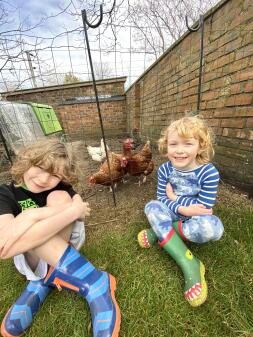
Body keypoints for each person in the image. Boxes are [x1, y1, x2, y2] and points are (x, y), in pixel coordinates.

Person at [0, 138, 121, 337]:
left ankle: (89, 283)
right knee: (32, 228)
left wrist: (25, 223)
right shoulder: (5, 194)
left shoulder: (60, 190)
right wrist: (31, 215)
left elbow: (79, 207)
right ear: (28, 160)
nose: (44, 179)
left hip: (65, 244)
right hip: (29, 259)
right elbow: (3, 246)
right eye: (40, 167)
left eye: (55, 175)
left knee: (58, 199)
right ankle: (48, 280)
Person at [137, 116, 224, 307]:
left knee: (212, 228)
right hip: (173, 212)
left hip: (196, 219)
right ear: (166, 146)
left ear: (200, 146)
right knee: (151, 206)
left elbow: (203, 210)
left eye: (187, 144)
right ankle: (189, 263)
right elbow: (162, 198)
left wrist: (175, 199)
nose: (179, 150)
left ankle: (157, 232)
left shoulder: (209, 173)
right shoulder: (164, 169)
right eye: (173, 144)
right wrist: (183, 207)